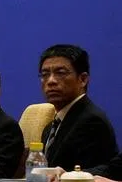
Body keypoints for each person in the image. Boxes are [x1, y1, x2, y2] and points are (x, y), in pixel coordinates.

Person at [35, 44, 117, 172]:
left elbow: (98, 176)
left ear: (83, 79)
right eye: (45, 74)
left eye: (60, 73)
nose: (51, 81)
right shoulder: (50, 127)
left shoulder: (92, 121)